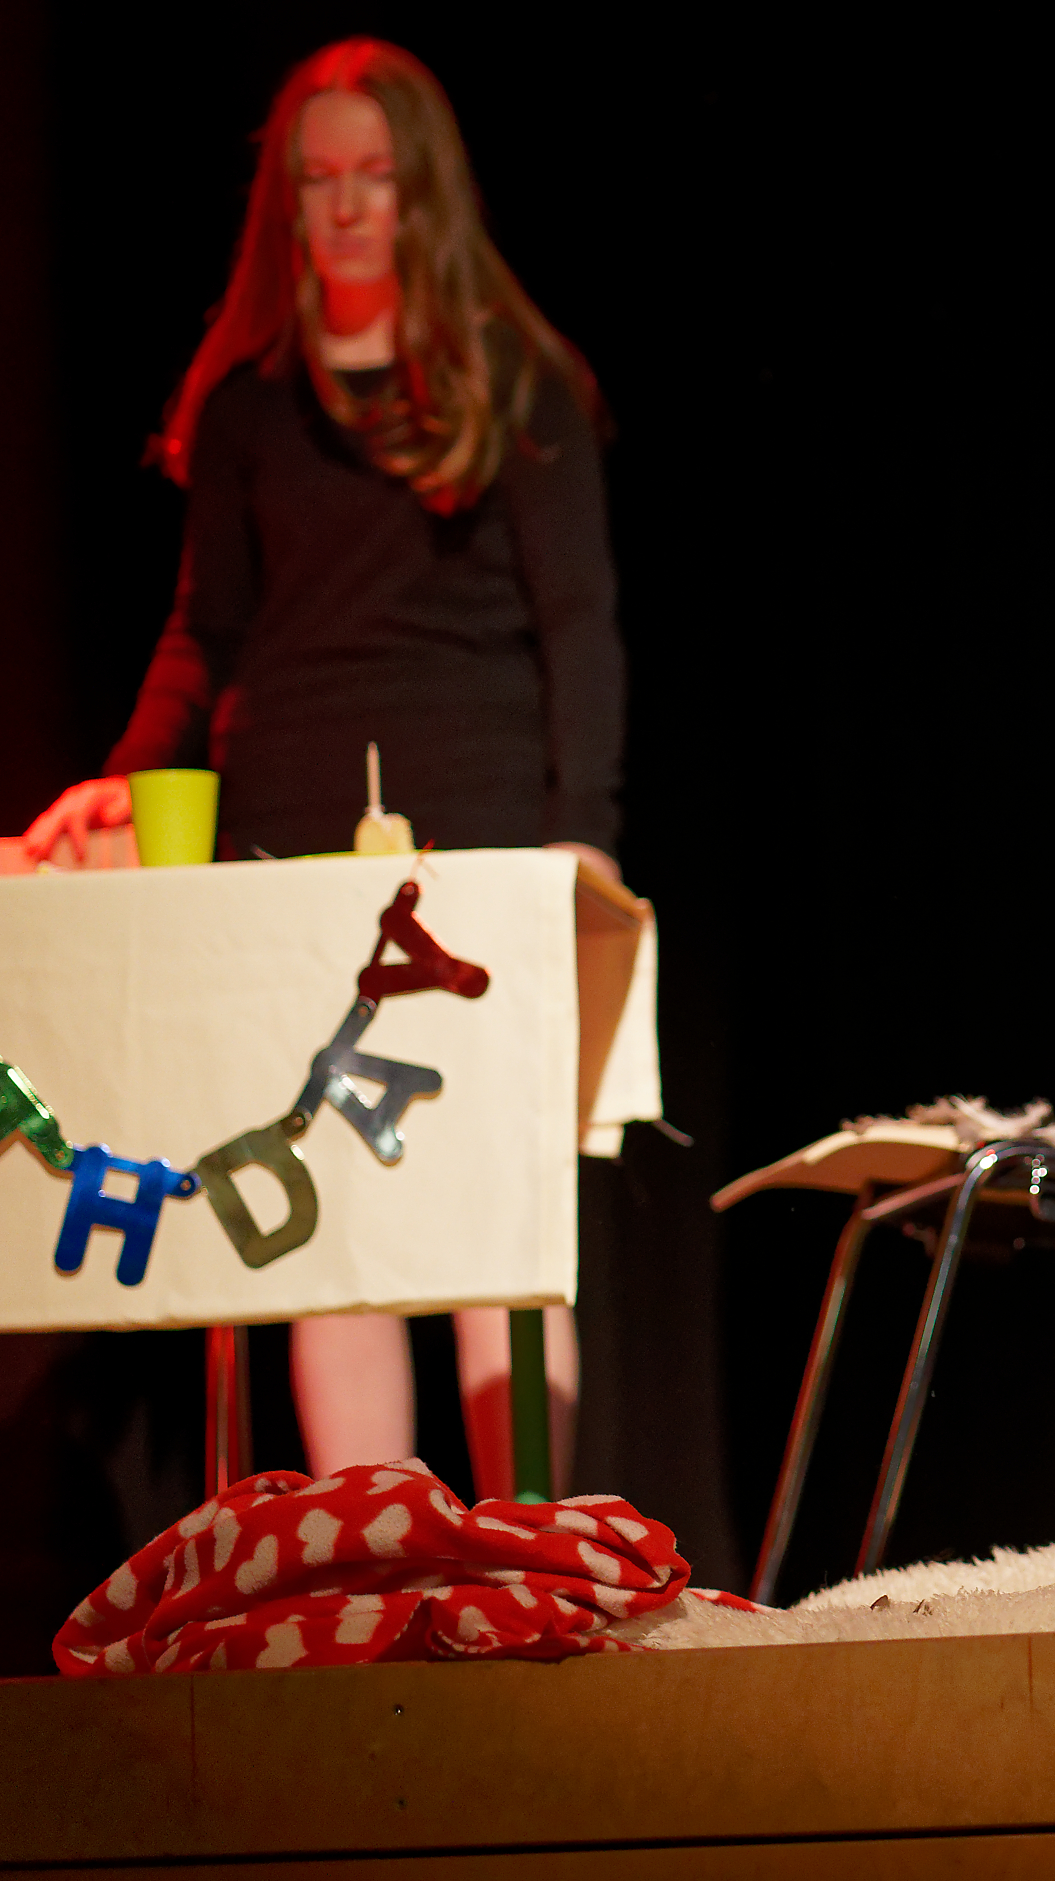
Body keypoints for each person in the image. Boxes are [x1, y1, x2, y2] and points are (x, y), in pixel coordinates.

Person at [21, 38, 623, 1497]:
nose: (347, 207)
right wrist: (121, 780)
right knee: (329, 1216)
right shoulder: (248, 406)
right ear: (283, 203)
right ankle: (377, 1567)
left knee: (489, 1212)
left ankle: (527, 1555)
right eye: (317, 180)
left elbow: (579, 623)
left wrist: (581, 828)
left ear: (425, 194)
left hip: (476, 846)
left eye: (374, 176)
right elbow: (203, 631)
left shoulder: (517, 386)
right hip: (285, 851)